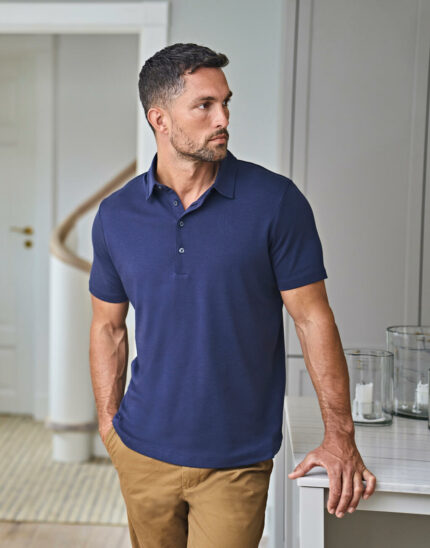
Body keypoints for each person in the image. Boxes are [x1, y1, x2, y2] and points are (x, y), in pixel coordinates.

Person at [88, 42, 376, 548]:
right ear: (160, 118)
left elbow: (313, 320)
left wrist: (340, 437)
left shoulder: (276, 202)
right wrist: (109, 426)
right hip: (140, 452)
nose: (222, 118)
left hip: (235, 460)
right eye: (204, 105)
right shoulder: (116, 215)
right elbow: (107, 326)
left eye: (225, 103)